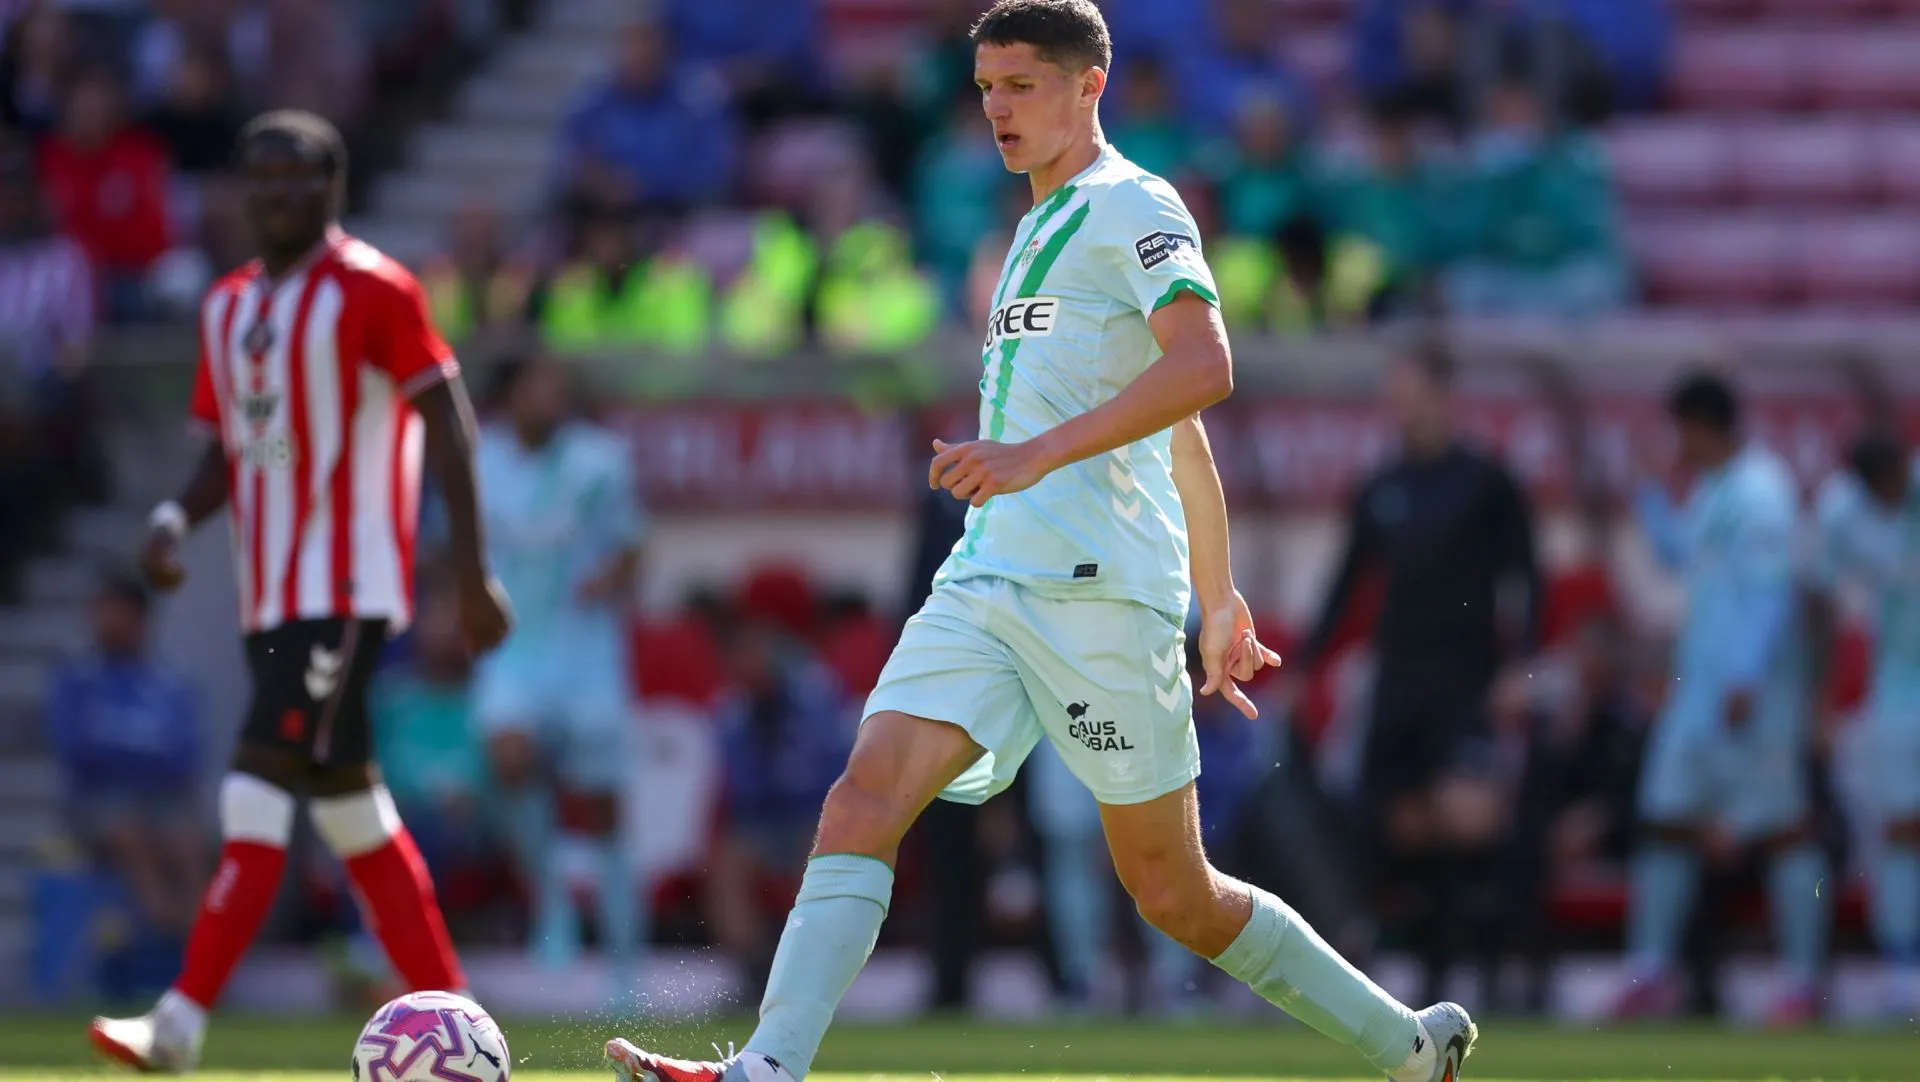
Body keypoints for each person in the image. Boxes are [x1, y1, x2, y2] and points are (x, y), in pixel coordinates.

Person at [602, 6, 1476, 1082]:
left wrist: (1100, 507)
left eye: (1021, 83)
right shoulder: (1027, 225)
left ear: (1089, 84)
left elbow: (1203, 371)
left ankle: (1408, 1043)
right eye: (984, 86)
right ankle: (769, 1067)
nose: (998, 108)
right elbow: (1178, 431)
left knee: (1174, 894)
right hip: (989, 573)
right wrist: (1222, 587)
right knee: (864, 791)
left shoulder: (1135, 204)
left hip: (1101, 594)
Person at [89, 110, 513, 1072]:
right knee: (355, 815)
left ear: (333, 186)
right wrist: (170, 521)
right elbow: (228, 454)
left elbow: (446, 421)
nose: (279, 192)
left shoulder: (372, 289)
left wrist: (473, 572)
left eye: (299, 176)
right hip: (267, 598)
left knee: (254, 791)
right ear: (244, 191)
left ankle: (179, 1023)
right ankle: (462, 1024)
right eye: (263, 176)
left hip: (345, 589)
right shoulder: (229, 306)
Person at [1288, 347, 1540, 1008]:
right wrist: (1304, 664)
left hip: (1464, 683)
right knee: (1403, 830)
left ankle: (1485, 980)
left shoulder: (1486, 481)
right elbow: (1346, 583)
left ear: (1440, 393)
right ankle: (1424, 983)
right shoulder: (1383, 486)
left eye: (1407, 389)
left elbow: (1528, 577)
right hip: (1399, 684)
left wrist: (1524, 664)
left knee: (1465, 823)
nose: (1396, 403)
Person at [1611, 371, 1826, 1026]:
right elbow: (1680, 556)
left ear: (1702, 425)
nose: (1677, 442)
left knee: (1782, 830)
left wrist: (1746, 676)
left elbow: (1771, 591)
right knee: (1667, 819)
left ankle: (1802, 981)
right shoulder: (1712, 491)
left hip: (1750, 691)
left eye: (1680, 430)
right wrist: (1649, 489)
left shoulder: (1764, 491)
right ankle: (1651, 971)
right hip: (1698, 692)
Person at [474, 355, 645, 981]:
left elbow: (632, 549)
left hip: (587, 652)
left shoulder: (601, 461)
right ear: (510, 394)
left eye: (557, 385)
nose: (548, 397)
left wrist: (611, 578)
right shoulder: (479, 461)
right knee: (509, 757)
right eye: (536, 384)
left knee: (602, 804)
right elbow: (456, 548)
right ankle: (553, 899)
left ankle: (625, 957)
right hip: (514, 646)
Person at [1809, 431, 1920, 1018]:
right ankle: (1905, 967)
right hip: (1900, 697)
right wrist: (1820, 703)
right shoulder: (1842, 513)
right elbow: (1820, 603)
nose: (1888, 497)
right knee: (1902, 832)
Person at [44, 571, 207, 938]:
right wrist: (140, 754)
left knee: (186, 834)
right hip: (96, 801)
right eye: (99, 611)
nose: (103, 621)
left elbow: (185, 756)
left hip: (159, 799)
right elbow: (75, 750)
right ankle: (165, 925)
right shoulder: (76, 678)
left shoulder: (169, 681)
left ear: (139, 619)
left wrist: (123, 753)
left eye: (113, 612)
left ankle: (200, 931)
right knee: (129, 828)